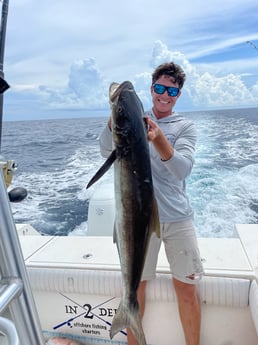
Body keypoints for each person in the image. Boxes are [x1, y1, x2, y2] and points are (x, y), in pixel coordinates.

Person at [99, 62, 204, 345]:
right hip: (137, 219)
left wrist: (158, 140)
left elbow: (182, 169)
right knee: (136, 288)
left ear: (178, 95)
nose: (164, 95)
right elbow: (106, 150)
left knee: (186, 290)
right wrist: (114, 120)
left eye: (172, 90)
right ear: (152, 89)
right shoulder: (136, 119)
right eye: (159, 88)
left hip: (177, 218)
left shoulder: (185, 127)